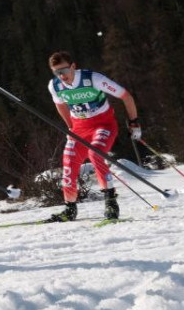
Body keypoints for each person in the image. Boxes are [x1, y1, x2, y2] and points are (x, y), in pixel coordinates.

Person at [45, 51, 140, 222]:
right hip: (79, 127)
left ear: (73, 66)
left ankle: (111, 203)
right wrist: (70, 128)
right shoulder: (55, 86)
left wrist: (134, 122)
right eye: (57, 72)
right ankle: (70, 208)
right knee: (68, 161)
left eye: (64, 71)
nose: (62, 76)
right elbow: (60, 105)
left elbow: (125, 96)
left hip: (103, 124)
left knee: (96, 154)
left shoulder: (93, 79)